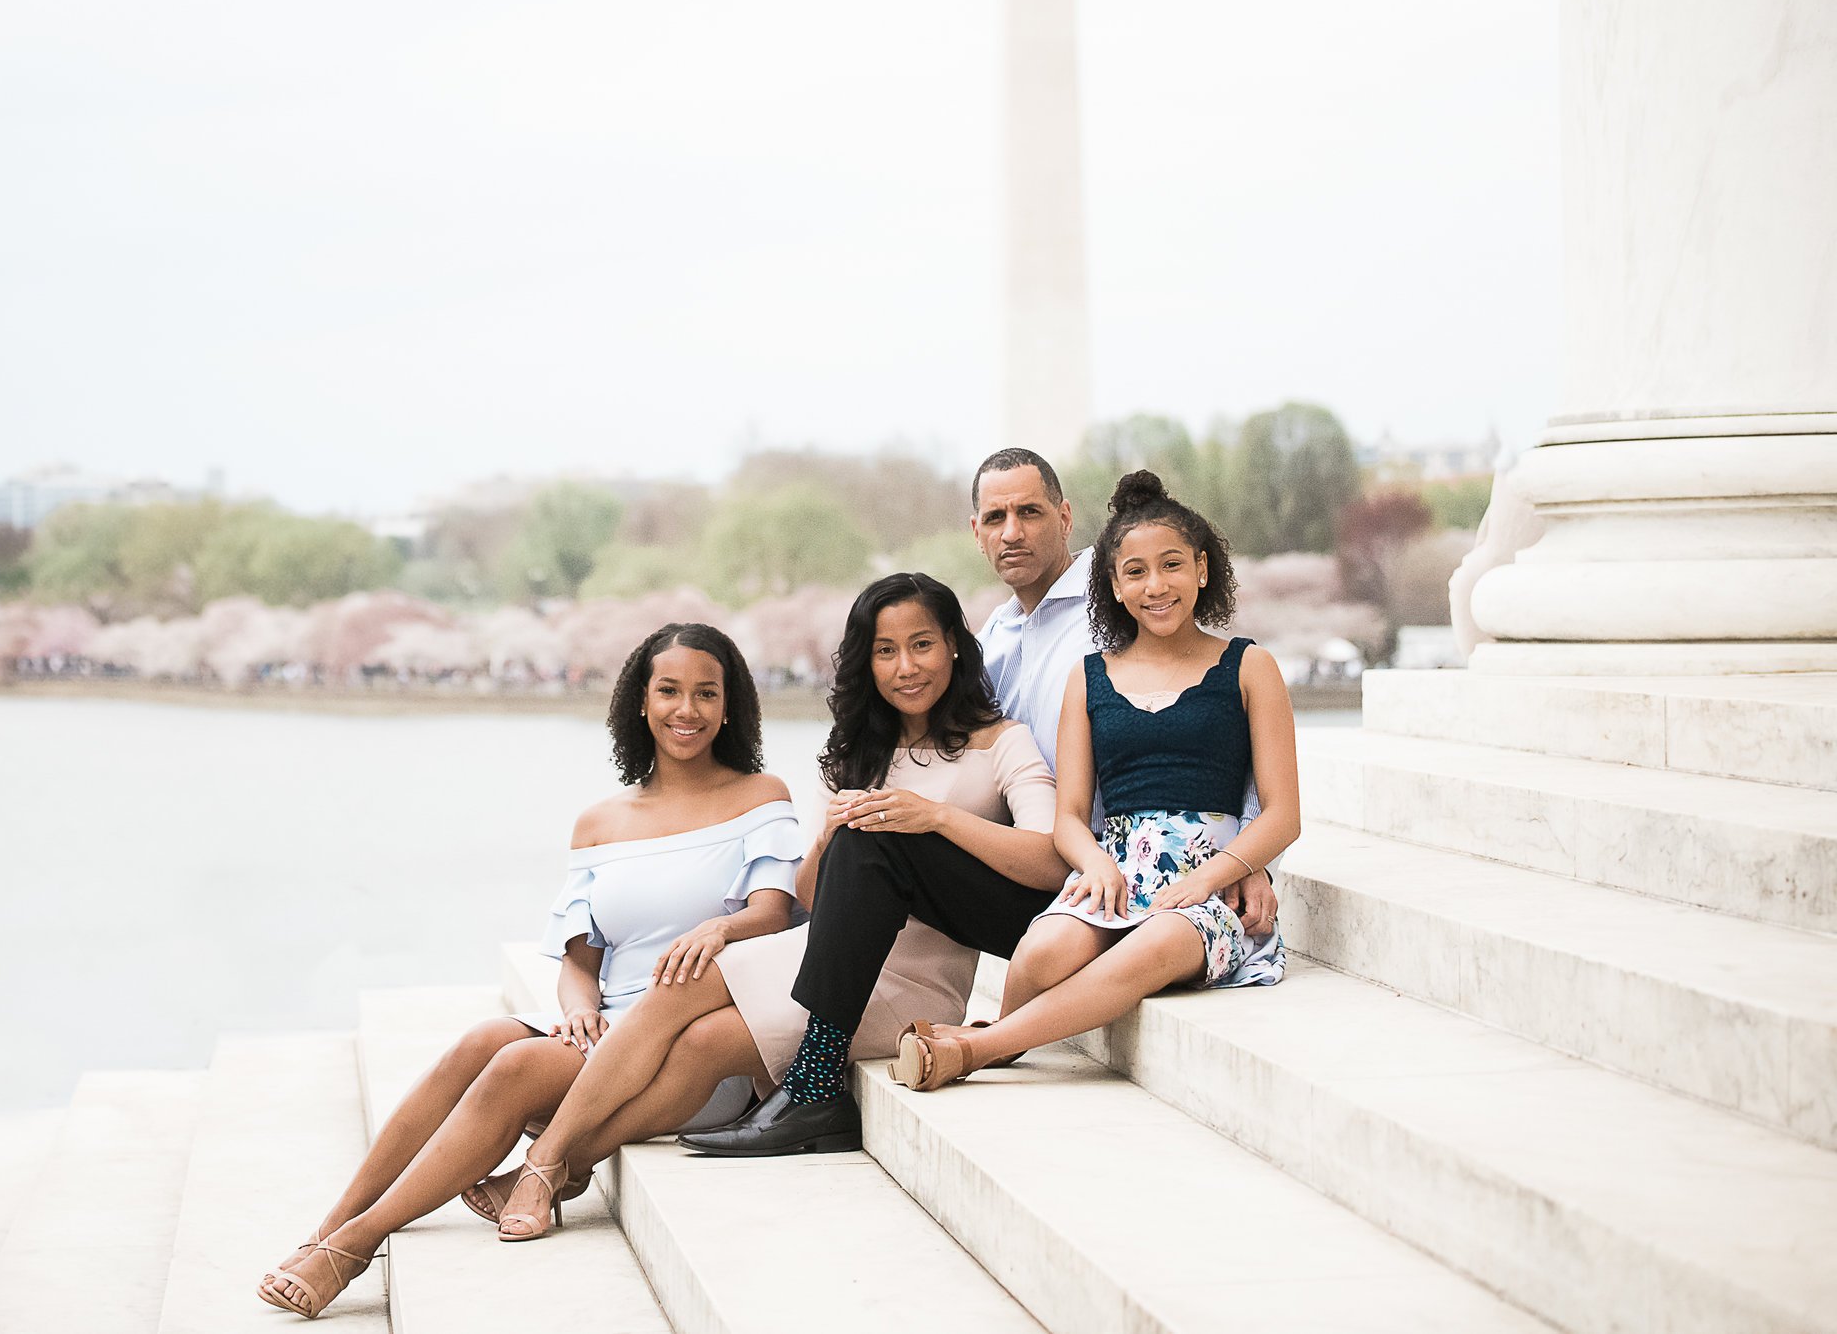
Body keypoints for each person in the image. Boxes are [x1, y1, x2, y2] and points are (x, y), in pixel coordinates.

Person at [672, 448, 1277, 1157]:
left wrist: (1242, 857)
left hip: (1109, 868)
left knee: (884, 845)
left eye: (1028, 512)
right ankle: (809, 1077)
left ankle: (843, 1068)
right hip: (1075, 867)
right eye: (996, 517)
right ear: (977, 530)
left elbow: (1195, 721)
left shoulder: (1110, 613)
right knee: (869, 841)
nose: (1012, 532)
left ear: (1065, 516)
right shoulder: (995, 638)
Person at [489, 573, 1062, 1235]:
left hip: (912, 981)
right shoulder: (856, 756)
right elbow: (816, 899)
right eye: (885, 651)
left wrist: (932, 817)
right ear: (865, 662)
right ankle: (557, 1165)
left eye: (922, 645)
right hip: (827, 959)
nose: (906, 667)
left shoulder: (1002, 743)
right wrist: (829, 833)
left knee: (710, 1035)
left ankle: (548, 1164)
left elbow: (1047, 860)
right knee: (688, 998)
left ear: (956, 649)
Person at [256, 623, 802, 1316]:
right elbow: (582, 960)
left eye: (705, 693)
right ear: (641, 700)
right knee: (484, 1040)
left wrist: (719, 926)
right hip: (603, 1037)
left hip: (686, 1057)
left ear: (731, 707)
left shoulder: (760, 796)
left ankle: (356, 1245)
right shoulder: (600, 822)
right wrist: (577, 1007)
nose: (685, 710)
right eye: (669, 690)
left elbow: (773, 914)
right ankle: (328, 1225)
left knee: (514, 1067)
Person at [890, 469, 1298, 1088]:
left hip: (1207, 880)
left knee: (1156, 945)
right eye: (1135, 572)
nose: (1156, 586)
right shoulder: (1091, 675)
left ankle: (980, 1050)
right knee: (1041, 951)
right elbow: (1070, 813)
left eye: (1172, 566)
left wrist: (1221, 875)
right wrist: (1096, 865)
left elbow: (1282, 814)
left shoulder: (1250, 666)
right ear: (1112, 584)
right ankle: (999, 1041)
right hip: (1115, 865)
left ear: (1203, 570)